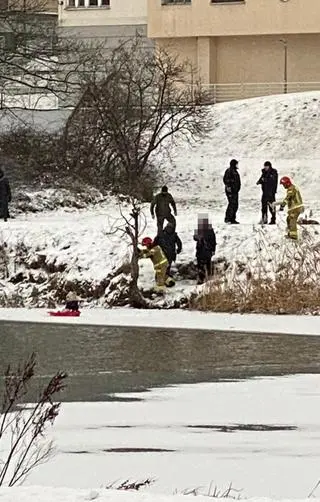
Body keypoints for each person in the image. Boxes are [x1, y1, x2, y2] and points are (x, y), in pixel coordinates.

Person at [193, 215, 217, 285]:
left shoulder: (210, 231)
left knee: (207, 265)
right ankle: (201, 279)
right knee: (200, 266)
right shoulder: (199, 230)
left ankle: (208, 278)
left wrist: (213, 250)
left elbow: (213, 241)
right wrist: (198, 237)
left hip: (207, 251)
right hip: (200, 251)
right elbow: (194, 237)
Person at [223, 159, 241, 224]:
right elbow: (226, 180)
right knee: (231, 204)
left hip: (235, 191)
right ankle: (228, 218)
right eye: (236, 164)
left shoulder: (235, 171)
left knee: (235, 205)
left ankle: (233, 218)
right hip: (231, 191)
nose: (237, 165)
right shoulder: (229, 171)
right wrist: (229, 186)